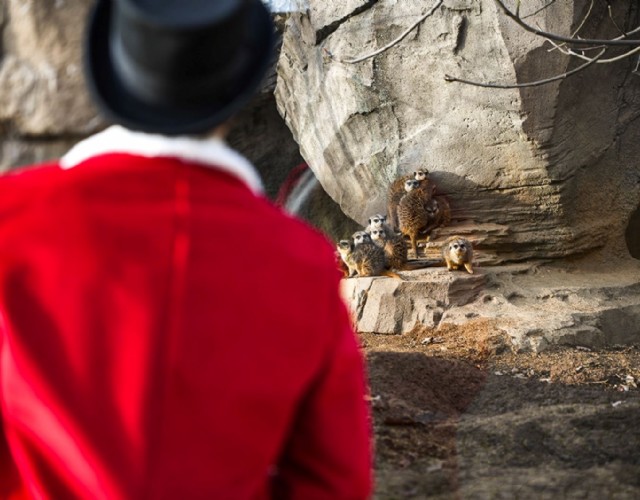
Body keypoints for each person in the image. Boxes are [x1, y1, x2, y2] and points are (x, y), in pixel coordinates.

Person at [0, 0, 372, 498]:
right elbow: (333, 483)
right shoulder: (303, 261)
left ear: (109, 67)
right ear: (243, 85)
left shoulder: (13, 218)